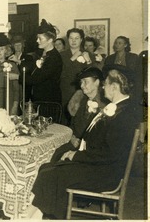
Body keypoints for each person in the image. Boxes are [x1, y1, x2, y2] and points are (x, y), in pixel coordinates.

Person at [27, 64, 138, 219]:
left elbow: (110, 154)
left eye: (105, 84)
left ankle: (39, 217)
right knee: (46, 168)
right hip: (97, 165)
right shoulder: (117, 108)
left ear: (114, 87)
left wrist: (76, 156)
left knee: (51, 175)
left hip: (105, 173)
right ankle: (37, 216)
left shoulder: (123, 115)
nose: (103, 87)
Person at [51, 67, 109, 162]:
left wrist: (78, 143)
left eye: (86, 82)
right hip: (74, 142)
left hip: (88, 152)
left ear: (97, 82)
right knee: (56, 153)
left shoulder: (105, 106)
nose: (82, 85)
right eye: (81, 82)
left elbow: (99, 138)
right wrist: (72, 137)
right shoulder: (82, 100)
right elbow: (73, 124)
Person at [20, 19, 62, 103]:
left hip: (49, 101)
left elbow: (36, 79)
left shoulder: (54, 58)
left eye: (40, 39)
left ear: (50, 40)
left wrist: (17, 77)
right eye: (37, 38)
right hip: (37, 99)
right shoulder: (40, 53)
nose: (37, 41)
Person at [60, 28, 92, 124]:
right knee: (65, 121)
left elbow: (93, 73)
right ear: (68, 39)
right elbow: (61, 74)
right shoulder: (61, 55)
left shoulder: (88, 54)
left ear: (81, 40)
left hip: (83, 92)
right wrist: (73, 58)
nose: (73, 41)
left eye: (77, 38)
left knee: (80, 121)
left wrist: (88, 61)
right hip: (65, 91)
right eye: (71, 38)